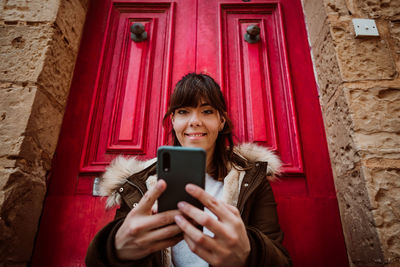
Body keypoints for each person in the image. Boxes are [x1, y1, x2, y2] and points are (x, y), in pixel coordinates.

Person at [85, 73, 292, 267]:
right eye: (184, 111)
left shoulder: (251, 179)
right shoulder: (139, 184)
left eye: (207, 111)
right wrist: (115, 249)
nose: (195, 121)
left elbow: (281, 260)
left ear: (221, 121)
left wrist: (250, 252)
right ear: (173, 120)